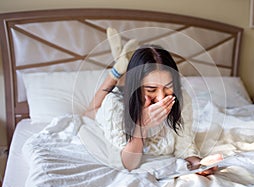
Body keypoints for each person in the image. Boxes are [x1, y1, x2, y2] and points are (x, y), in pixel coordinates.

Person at [83, 28, 220, 175]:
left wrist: (198, 164)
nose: (161, 98)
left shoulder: (182, 98)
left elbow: (184, 146)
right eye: (151, 89)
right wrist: (142, 125)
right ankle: (117, 70)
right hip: (107, 110)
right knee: (91, 111)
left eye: (168, 87)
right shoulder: (115, 105)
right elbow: (127, 164)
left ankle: (123, 65)